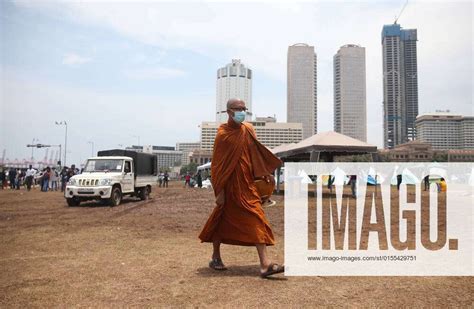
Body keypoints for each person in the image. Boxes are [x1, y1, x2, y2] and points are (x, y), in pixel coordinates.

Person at [198, 98, 284, 279]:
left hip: (247, 185)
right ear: (228, 111)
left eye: (244, 109)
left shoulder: (248, 129)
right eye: (238, 109)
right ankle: (216, 257)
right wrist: (219, 192)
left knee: (257, 216)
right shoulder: (223, 134)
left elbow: (255, 154)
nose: (242, 112)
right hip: (229, 186)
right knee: (221, 220)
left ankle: (265, 264)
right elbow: (218, 166)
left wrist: (264, 173)